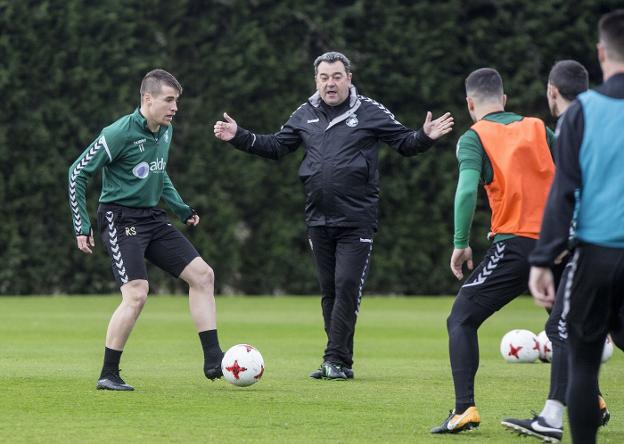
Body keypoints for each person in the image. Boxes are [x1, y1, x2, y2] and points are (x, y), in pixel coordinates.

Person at [213, 51, 454, 380]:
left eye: (337, 76)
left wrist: (425, 136)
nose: (330, 83)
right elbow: (276, 146)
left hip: (357, 220)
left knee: (346, 285)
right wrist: (240, 136)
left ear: (349, 78)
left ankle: (334, 358)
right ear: (316, 80)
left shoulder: (369, 111)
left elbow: (405, 142)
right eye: (324, 77)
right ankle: (340, 361)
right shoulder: (305, 113)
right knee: (330, 290)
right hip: (318, 219)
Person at [68, 69, 224, 391]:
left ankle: (214, 359)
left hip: (152, 218)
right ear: (147, 99)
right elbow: (77, 173)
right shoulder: (118, 133)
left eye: (176, 101)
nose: (174, 107)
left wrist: (182, 209)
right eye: (169, 100)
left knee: (203, 275)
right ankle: (108, 374)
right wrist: (82, 225)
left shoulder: (165, 131)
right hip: (119, 218)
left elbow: (159, 175)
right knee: (137, 294)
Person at [431, 68, 556, 434]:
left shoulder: (474, 137)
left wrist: (459, 243)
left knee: (461, 319)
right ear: (504, 99)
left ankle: (464, 409)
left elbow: (467, 191)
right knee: (566, 323)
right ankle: (591, 399)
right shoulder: (538, 127)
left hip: (515, 244)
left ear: (470, 104)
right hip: (559, 244)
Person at [527, 10, 624, 444]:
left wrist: (543, 259)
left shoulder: (582, 111)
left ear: (601, 52)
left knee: (584, 361)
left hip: (597, 253)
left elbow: (563, 190)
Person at [501, 60, 610, 442]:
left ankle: (552, 418)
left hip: (594, 249)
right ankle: (556, 413)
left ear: (551, 91)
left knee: (561, 328)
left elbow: (568, 193)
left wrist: (550, 250)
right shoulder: (608, 116)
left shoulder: (570, 126)